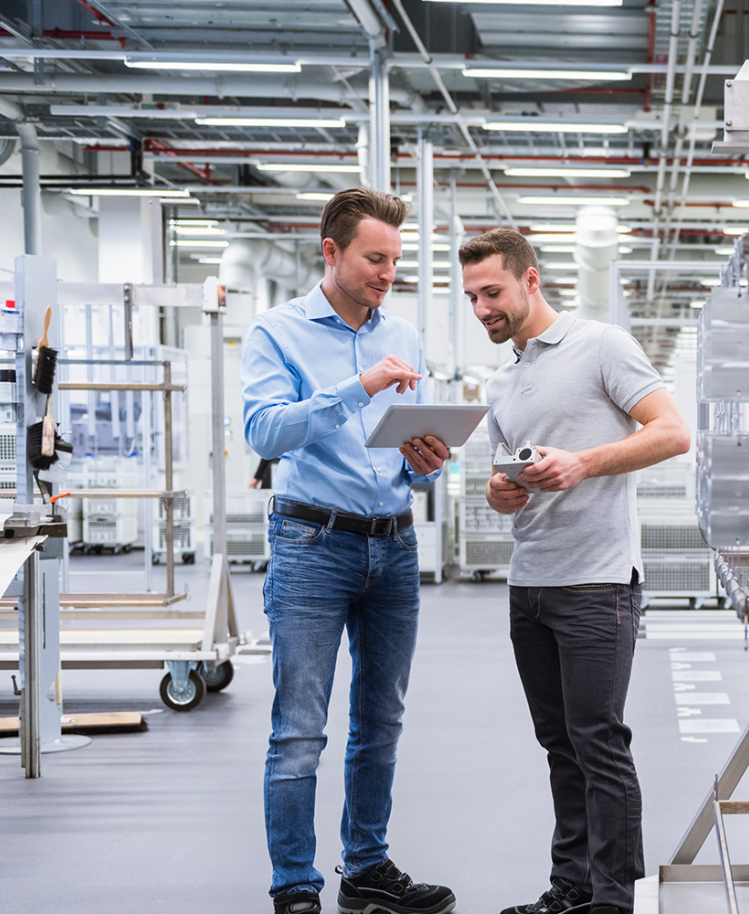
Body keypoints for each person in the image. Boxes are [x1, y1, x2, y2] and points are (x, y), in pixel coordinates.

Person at [241, 187, 456, 914]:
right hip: (312, 543)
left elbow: (404, 449)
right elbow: (265, 434)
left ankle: (366, 866)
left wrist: (427, 461)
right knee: (300, 726)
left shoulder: (407, 334)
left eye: (395, 259)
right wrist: (355, 387)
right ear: (330, 252)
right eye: (374, 257)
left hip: (393, 545)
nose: (387, 272)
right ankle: (295, 884)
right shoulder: (277, 332)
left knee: (382, 720)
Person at [466, 229, 691, 914]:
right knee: (560, 744)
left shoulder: (600, 346)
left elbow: (672, 431)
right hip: (529, 583)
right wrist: (499, 493)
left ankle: (613, 900)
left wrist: (585, 461)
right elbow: (503, 479)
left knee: (599, 742)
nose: (482, 309)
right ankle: (572, 888)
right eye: (473, 297)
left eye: (493, 293)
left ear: (531, 281)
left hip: (595, 584)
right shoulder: (503, 377)